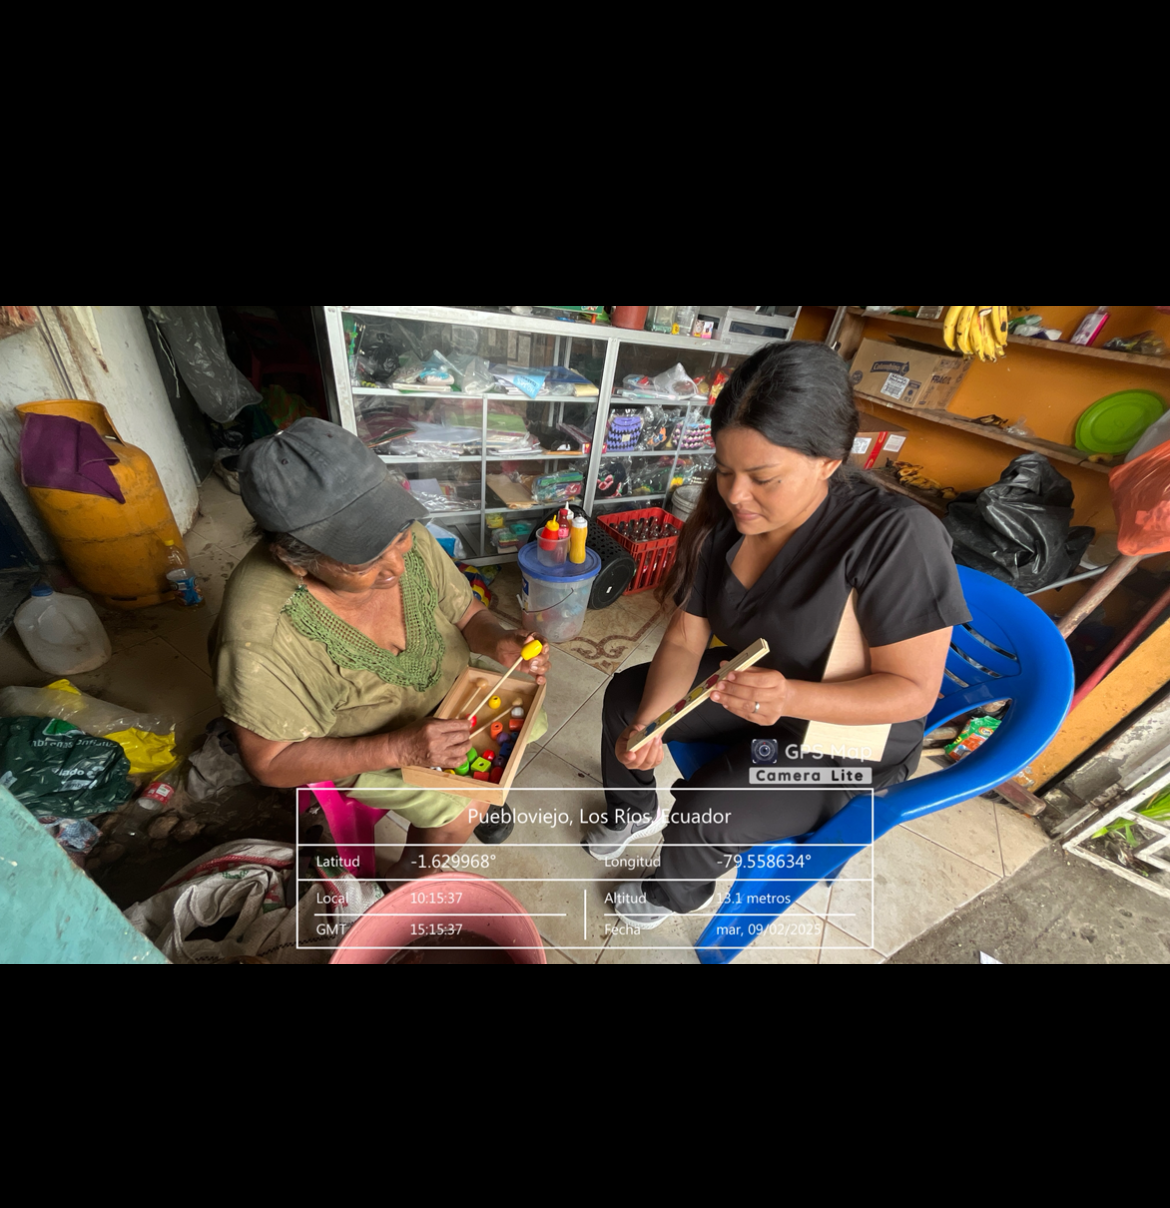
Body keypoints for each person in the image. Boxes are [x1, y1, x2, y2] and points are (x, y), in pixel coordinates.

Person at [589, 340, 968, 928]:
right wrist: (651, 725)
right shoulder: (723, 519)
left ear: (828, 461)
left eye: (763, 478)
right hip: (759, 688)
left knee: (705, 809)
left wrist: (789, 697)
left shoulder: (896, 536)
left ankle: (675, 893)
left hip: (848, 741)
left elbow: (912, 692)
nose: (736, 495)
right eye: (725, 470)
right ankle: (632, 807)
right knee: (626, 703)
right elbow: (686, 639)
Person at [209, 418, 547, 872]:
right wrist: (398, 749)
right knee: (458, 813)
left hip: (453, 694)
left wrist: (498, 640)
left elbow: (467, 613)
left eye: (400, 537)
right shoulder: (261, 635)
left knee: (521, 722)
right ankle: (408, 879)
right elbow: (269, 762)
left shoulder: (397, 533)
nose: (397, 567)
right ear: (295, 560)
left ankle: (482, 797)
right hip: (365, 746)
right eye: (363, 560)